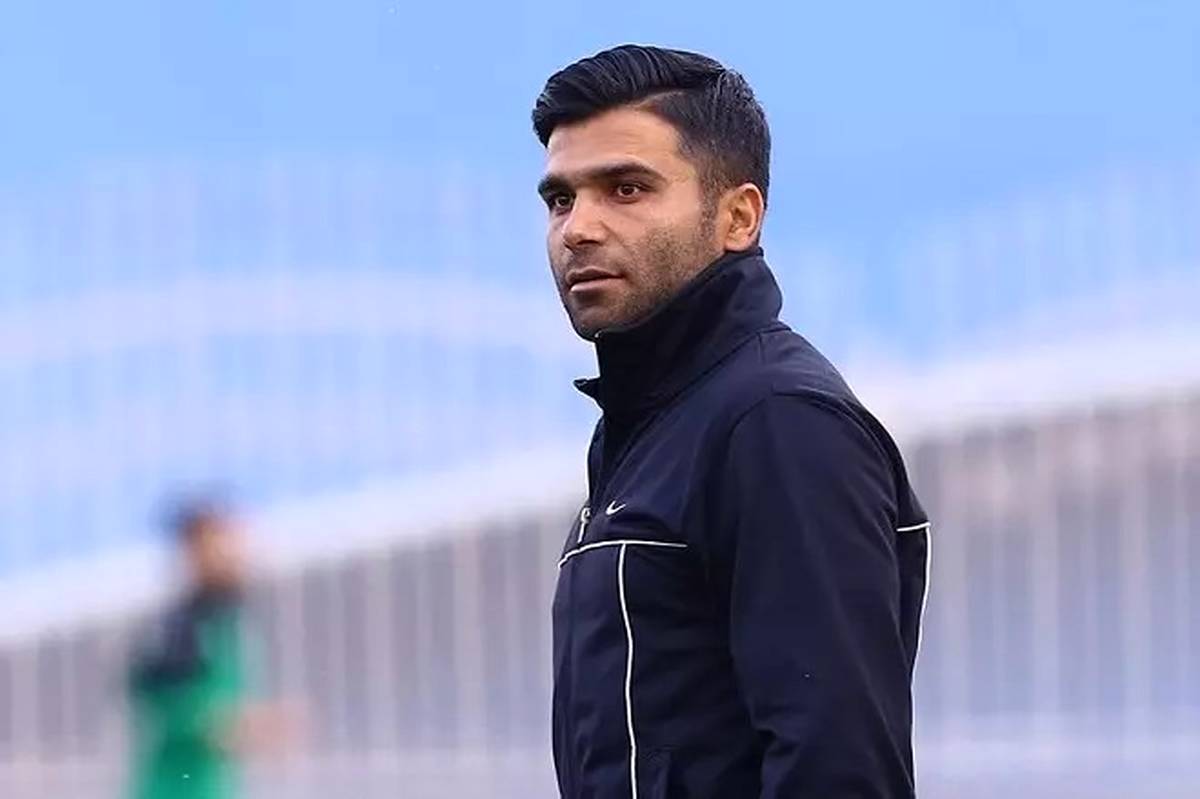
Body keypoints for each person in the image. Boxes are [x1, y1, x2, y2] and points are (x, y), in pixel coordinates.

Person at [534, 45, 930, 798]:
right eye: (561, 200)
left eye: (625, 189)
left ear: (738, 217)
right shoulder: (647, 430)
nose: (579, 228)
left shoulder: (777, 422)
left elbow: (839, 768)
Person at [126, 498, 285, 799]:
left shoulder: (229, 621)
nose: (235, 553)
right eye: (219, 544)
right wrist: (230, 725)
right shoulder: (184, 625)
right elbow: (167, 703)